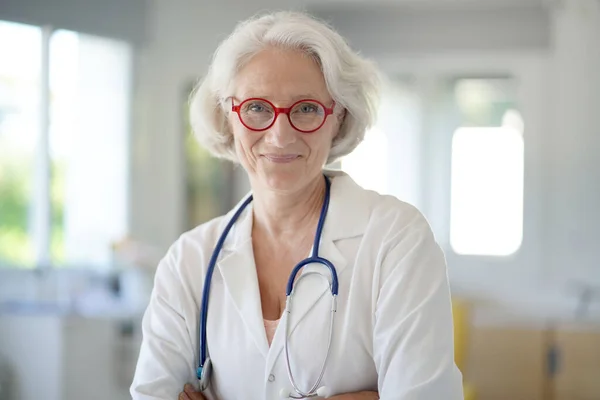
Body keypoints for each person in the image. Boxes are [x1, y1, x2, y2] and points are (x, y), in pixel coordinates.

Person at [130, 10, 464, 400]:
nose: (279, 134)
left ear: (338, 118)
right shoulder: (189, 260)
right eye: (257, 107)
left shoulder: (397, 240)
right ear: (228, 116)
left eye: (306, 108)